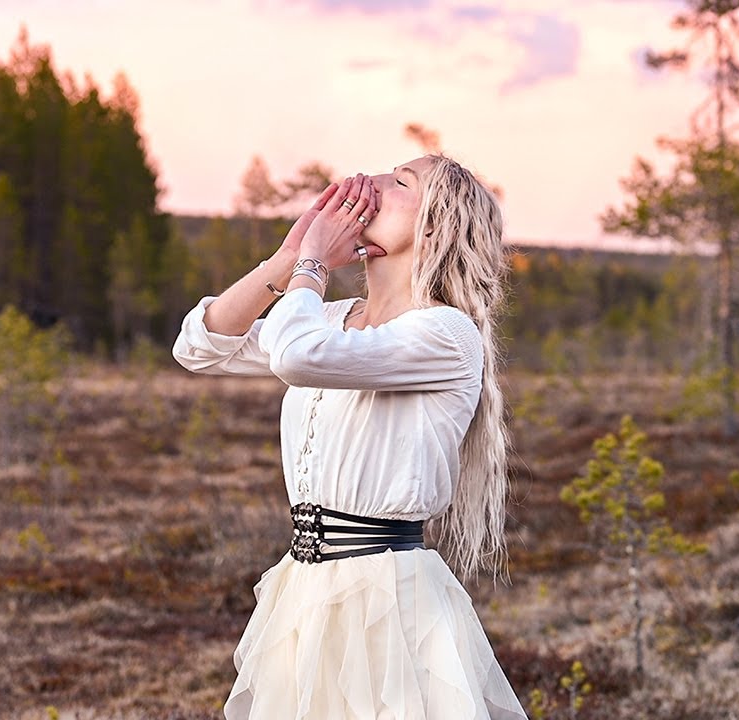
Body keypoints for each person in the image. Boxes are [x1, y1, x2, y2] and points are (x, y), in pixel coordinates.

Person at [172, 154, 527, 720]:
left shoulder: (445, 333)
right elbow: (200, 346)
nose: (371, 183)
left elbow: (296, 356)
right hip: (306, 588)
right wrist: (288, 258)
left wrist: (312, 266)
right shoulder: (330, 318)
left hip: (387, 594)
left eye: (400, 181)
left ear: (434, 225)